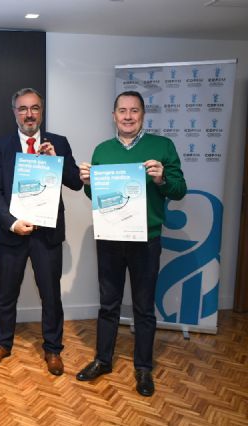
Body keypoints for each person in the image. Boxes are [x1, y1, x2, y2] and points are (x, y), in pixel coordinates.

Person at [76, 91, 186, 396]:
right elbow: (94, 197)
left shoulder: (162, 147)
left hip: (146, 240)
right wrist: (87, 184)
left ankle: (143, 368)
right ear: (113, 115)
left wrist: (163, 179)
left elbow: (179, 190)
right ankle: (103, 360)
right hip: (110, 238)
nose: (127, 116)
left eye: (133, 111)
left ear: (142, 115)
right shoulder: (102, 150)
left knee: (143, 307)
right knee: (108, 304)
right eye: (122, 111)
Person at [0, 88, 83, 375]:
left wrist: (57, 161)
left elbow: (76, 183)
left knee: (51, 295)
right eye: (23, 108)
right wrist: (12, 222)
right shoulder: (1, 146)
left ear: (41, 111)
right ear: (14, 111)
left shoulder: (59, 143)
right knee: (7, 293)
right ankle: (3, 343)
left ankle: (53, 349)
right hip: (13, 233)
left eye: (35, 108)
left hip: (47, 234)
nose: (29, 114)